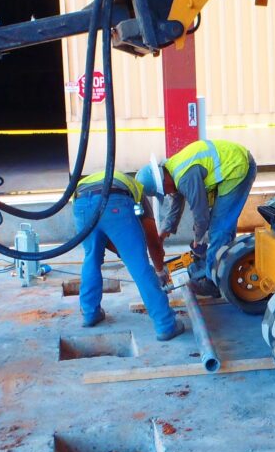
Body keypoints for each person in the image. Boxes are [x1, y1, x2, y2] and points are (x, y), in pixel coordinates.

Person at [71, 169, 184, 340]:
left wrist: (123, 251)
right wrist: (160, 271)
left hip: (81, 204)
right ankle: (166, 324)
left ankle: (89, 313)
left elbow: (107, 240)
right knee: (139, 265)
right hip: (114, 201)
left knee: (91, 257)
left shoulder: (108, 177)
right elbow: (153, 241)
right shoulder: (137, 192)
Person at [137, 139, 256, 290]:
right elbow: (175, 206)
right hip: (233, 163)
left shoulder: (185, 177)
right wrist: (162, 235)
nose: (167, 193)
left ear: (163, 180)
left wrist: (198, 240)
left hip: (238, 167)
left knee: (219, 228)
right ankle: (225, 266)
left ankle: (212, 282)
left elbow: (201, 214)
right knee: (222, 225)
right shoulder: (172, 169)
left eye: (165, 191)